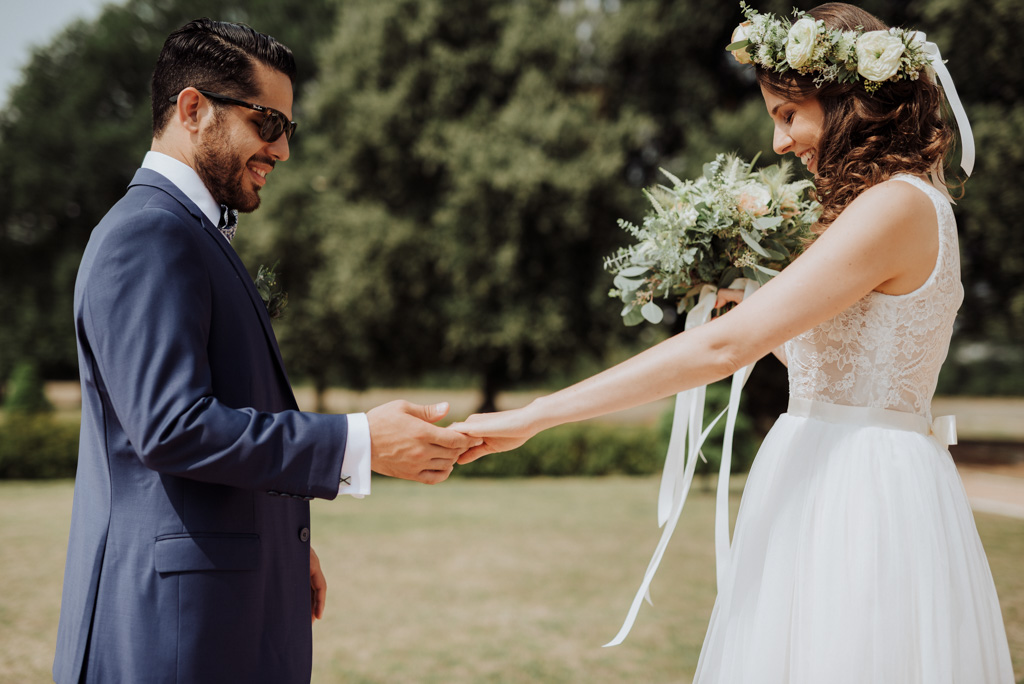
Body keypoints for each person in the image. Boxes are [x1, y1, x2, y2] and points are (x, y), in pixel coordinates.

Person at [452, 3, 1015, 681]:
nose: (779, 143)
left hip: (861, 494)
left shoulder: (895, 204)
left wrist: (534, 415)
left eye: (788, 114)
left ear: (848, 104)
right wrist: (746, 304)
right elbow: (835, 366)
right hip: (817, 469)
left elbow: (724, 352)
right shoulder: (884, 204)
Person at [52, 19, 478, 684]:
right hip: (171, 633)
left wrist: (280, 539)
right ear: (193, 110)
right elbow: (171, 429)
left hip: (219, 613)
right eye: (267, 124)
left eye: (289, 130)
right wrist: (358, 442)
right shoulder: (149, 234)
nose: (281, 150)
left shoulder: (190, 232)